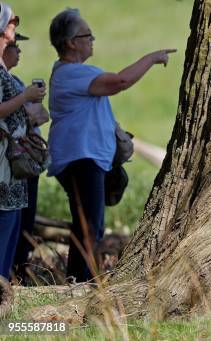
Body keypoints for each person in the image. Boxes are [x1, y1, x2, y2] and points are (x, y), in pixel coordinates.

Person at [48, 8, 175, 282]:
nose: (92, 39)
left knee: (89, 224)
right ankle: (81, 282)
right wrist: (152, 58)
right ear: (71, 43)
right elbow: (120, 81)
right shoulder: (72, 73)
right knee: (90, 226)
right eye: (87, 35)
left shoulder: (70, 73)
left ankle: (80, 278)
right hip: (81, 159)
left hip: (83, 158)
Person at [0, 2, 46, 280]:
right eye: (10, 22)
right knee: (5, 223)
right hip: (3, 166)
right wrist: (26, 97)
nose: (14, 27)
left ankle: (5, 286)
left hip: (11, 166)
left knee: (13, 223)